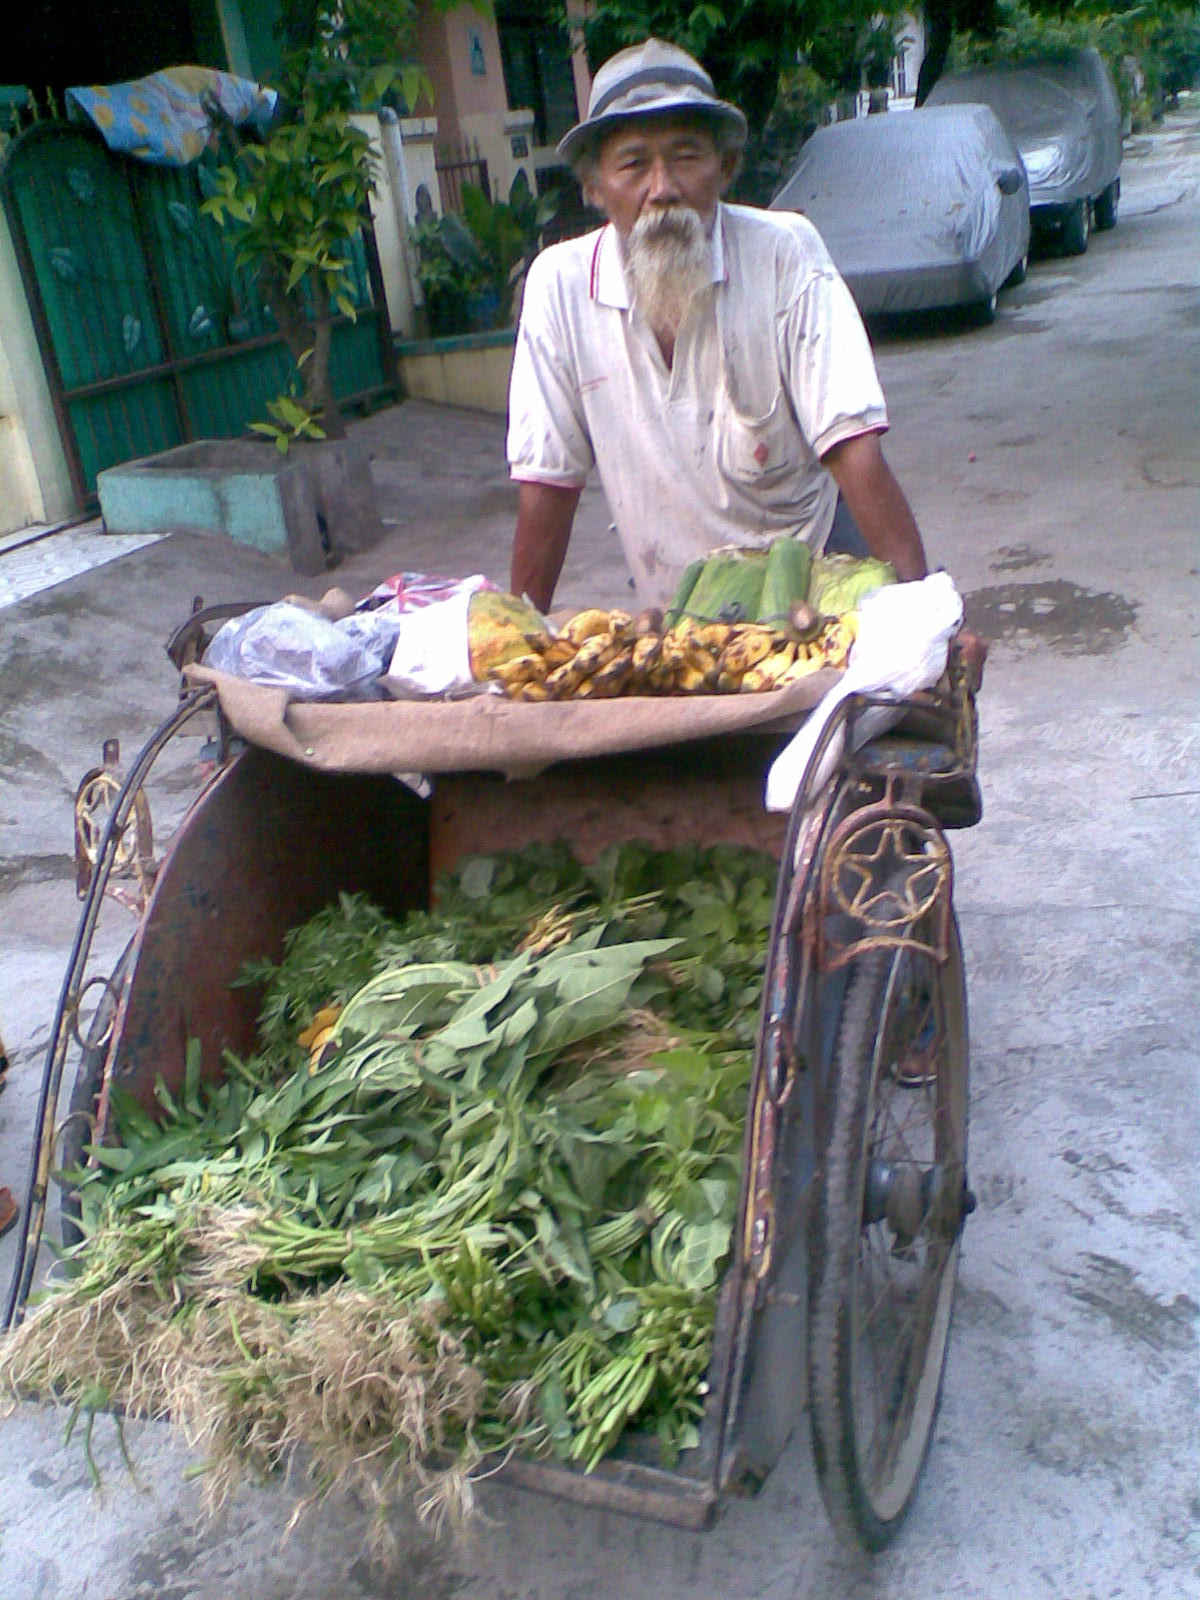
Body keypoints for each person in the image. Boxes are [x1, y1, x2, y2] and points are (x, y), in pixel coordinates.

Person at [507, 37, 940, 621]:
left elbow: (855, 452)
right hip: (676, 615)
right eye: (633, 163)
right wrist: (517, 646)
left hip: (815, 588)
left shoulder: (785, 255)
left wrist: (926, 621)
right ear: (593, 187)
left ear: (726, 167)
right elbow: (546, 490)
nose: (662, 188)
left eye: (685, 156)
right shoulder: (559, 287)